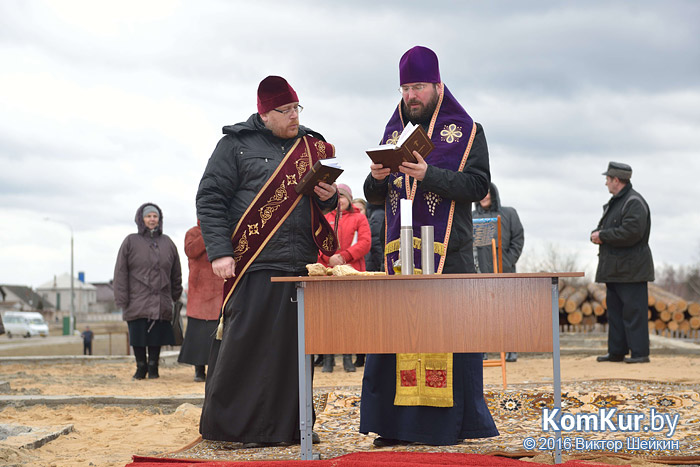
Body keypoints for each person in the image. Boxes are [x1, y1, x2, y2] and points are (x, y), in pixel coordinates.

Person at [361, 45, 498, 446]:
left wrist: (429, 173)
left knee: (448, 342)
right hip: (399, 257)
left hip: (448, 256)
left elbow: (477, 186)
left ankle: (447, 428)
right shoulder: (394, 131)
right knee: (396, 341)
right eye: (405, 88)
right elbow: (374, 196)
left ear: (437, 85)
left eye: (418, 86)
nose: (411, 96)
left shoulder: (467, 130)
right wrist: (376, 176)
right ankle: (393, 426)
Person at [196, 75, 338, 447]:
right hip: (253, 262)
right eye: (286, 110)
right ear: (265, 112)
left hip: (301, 264)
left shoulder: (310, 144)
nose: (294, 116)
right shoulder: (234, 145)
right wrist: (220, 252)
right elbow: (210, 199)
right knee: (244, 350)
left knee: (295, 354)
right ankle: (230, 431)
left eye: (297, 108)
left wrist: (328, 196)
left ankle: (293, 427)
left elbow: (323, 203)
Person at [591, 162, 653, 364]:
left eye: (607, 179)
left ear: (616, 180)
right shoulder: (618, 201)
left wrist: (603, 235)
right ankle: (616, 352)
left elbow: (631, 233)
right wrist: (600, 234)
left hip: (632, 270)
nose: (606, 183)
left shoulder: (634, 202)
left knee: (634, 313)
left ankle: (639, 353)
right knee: (616, 313)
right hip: (616, 270)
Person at [114, 203, 183, 380]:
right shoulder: (130, 241)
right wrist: (122, 298)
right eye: (148, 216)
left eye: (155, 216)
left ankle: (153, 367)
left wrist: (175, 295)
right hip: (136, 299)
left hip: (161, 299)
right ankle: (140, 367)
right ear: (141, 219)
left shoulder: (167, 242)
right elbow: (120, 272)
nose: (152, 219)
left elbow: (176, 272)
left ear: (159, 220)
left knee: (156, 336)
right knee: (138, 335)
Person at [317, 184, 371, 373]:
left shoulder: (359, 217)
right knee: (327, 318)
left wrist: (344, 256)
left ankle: (348, 357)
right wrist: (328, 258)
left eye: (343, 196)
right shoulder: (324, 218)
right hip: (328, 271)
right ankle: (328, 359)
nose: (339, 200)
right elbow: (317, 242)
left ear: (349, 198)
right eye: (337, 196)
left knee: (350, 317)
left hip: (351, 270)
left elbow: (365, 242)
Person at [473, 182, 524, 362]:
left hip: (505, 272)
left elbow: (518, 239)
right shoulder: (472, 217)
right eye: (482, 193)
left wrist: (507, 262)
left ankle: (511, 349)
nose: (485, 196)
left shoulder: (509, 214)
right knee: (482, 314)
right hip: (481, 274)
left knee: (507, 313)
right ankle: (483, 349)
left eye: (488, 193)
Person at [178, 221, 223, 382]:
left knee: (217, 331)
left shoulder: (223, 228)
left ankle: (215, 369)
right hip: (199, 290)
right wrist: (207, 231)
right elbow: (191, 251)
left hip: (219, 288)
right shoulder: (193, 232)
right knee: (197, 333)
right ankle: (199, 370)